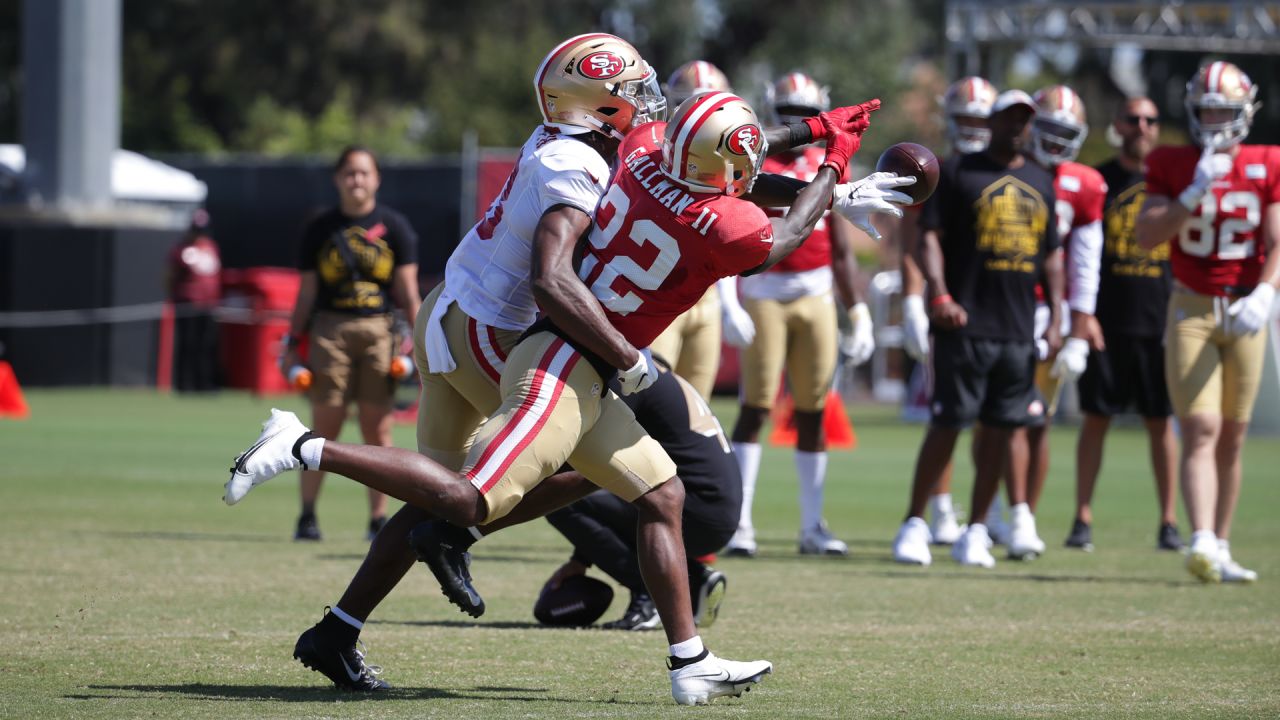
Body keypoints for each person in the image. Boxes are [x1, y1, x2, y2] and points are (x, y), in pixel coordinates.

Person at [226, 88, 907, 703]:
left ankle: (688, 660)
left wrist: (811, 133)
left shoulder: (640, 154)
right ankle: (303, 444)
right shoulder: (723, 223)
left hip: (563, 351)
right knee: (466, 500)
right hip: (558, 362)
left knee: (661, 494)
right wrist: (833, 161)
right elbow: (781, 231)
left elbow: (721, 155)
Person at [417, 359, 740, 632]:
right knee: (574, 487)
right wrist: (581, 558)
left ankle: (650, 594)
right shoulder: (645, 366)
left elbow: (589, 470)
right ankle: (693, 580)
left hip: (693, 511)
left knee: (562, 498)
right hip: (709, 508)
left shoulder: (622, 376)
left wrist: (472, 528)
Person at [891, 89, 1063, 568]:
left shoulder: (1041, 179)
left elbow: (1052, 256)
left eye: (1023, 119)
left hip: (1017, 327)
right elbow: (929, 237)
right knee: (947, 423)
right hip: (964, 323)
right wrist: (938, 293)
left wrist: (1058, 318)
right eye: (1008, 117)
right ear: (991, 121)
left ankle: (978, 529)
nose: (1016, 126)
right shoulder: (960, 172)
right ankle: (913, 523)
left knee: (1004, 430)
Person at [724, 71, 877, 558]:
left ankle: (812, 524)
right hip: (764, 288)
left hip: (815, 294)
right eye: (787, 113)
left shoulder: (826, 161)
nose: (795, 123)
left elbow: (839, 248)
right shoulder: (752, 158)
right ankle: (740, 522)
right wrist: (729, 297)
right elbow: (724, 228)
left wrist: (859, 311)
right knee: (756, 408)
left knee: (814, 411)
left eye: (803, 114)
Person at [1136, 60, 1278, 583]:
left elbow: (1278, 240)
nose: (1215, 118)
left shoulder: (1268, 160)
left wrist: (1266, 291)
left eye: (1225, 109)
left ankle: (1221, 542)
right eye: (1207, 108)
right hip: (1191, 305)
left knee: (1233, 436)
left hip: (1247, 308)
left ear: (1245, 112)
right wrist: (1192, 194)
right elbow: (1146, 236)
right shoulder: (1173, 161)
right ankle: (1199, 539)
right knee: (1201, 427)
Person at [280, 145, 422, 542]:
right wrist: (292, 343)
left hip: (380, 332)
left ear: (376, 179)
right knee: (325, 428)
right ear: (337, 179)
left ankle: (378, 521)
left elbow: (408, 294)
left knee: (377, 431)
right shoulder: (319, 228)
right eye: (349, 173)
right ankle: (307, 516)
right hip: (330, 332)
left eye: (364, 173)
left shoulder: (395, 227)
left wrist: (427, 343)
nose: (356, 180)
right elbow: (305, 294)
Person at [989, 84, 1108, 558]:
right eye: (1049, 129)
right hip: (1003, 306)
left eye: (1066, 132)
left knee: (1037, 419)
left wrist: (1080, 328)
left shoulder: (1084, 184)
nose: (1055, 141)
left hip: (1050, 315)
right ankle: (1000, 513)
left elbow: (1086, 262)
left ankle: (1023, 515)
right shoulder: (1005, 170)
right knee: (999, 420)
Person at [1066, 96, 1183, 552]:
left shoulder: (1173, 182)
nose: (1141, 127)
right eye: (1132, 119)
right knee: (1097, 418)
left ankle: (1169, 521)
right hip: (1107, 322)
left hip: (1160, 320)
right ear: (1117, 124)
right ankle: (1082, 517)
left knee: (1161, 421)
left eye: (1150, 120)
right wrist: (1085, 313)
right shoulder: (1101, 180)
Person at [895, 75, 999, 546]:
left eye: (982, 118)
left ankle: (994, 510)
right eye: (966, 119)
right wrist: (915, 302)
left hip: (999, 308)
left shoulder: (1005, 170)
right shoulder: (933, 170)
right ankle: (937, 506)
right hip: (949, 309)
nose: (974, 128)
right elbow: (913, 242)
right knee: (950, 416)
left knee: (998, 419)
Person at [649, 60, 757, 399]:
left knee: (696, 409)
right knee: (648, 403)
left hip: (705, 295)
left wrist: (729, 303)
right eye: (686, 102)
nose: (697, 113)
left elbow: (723, 240)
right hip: (656, 294)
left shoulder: (723, 165)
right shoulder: (652, 150)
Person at [166, 208, 222, 393]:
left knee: (206, 345)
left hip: (209, 304)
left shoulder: (211, 247)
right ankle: (184, 385)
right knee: (187, 344)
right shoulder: (182, 250)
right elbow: (170, 276)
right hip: (188, 303)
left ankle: (205, 384)